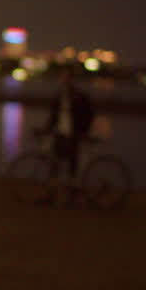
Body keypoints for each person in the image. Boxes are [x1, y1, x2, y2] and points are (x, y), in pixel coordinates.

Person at [36, 62, 95, 199]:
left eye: (66, 76)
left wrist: (83, 130)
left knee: (71, 165)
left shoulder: (79, 96)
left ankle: (71, 195)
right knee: (54, 163)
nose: (64, 78)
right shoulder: (59, 95)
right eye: (62, 76)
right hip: (60, 133)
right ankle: (52, 194)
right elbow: (54, 117)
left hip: (74, 134)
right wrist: (45, 129)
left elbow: (89, 114)